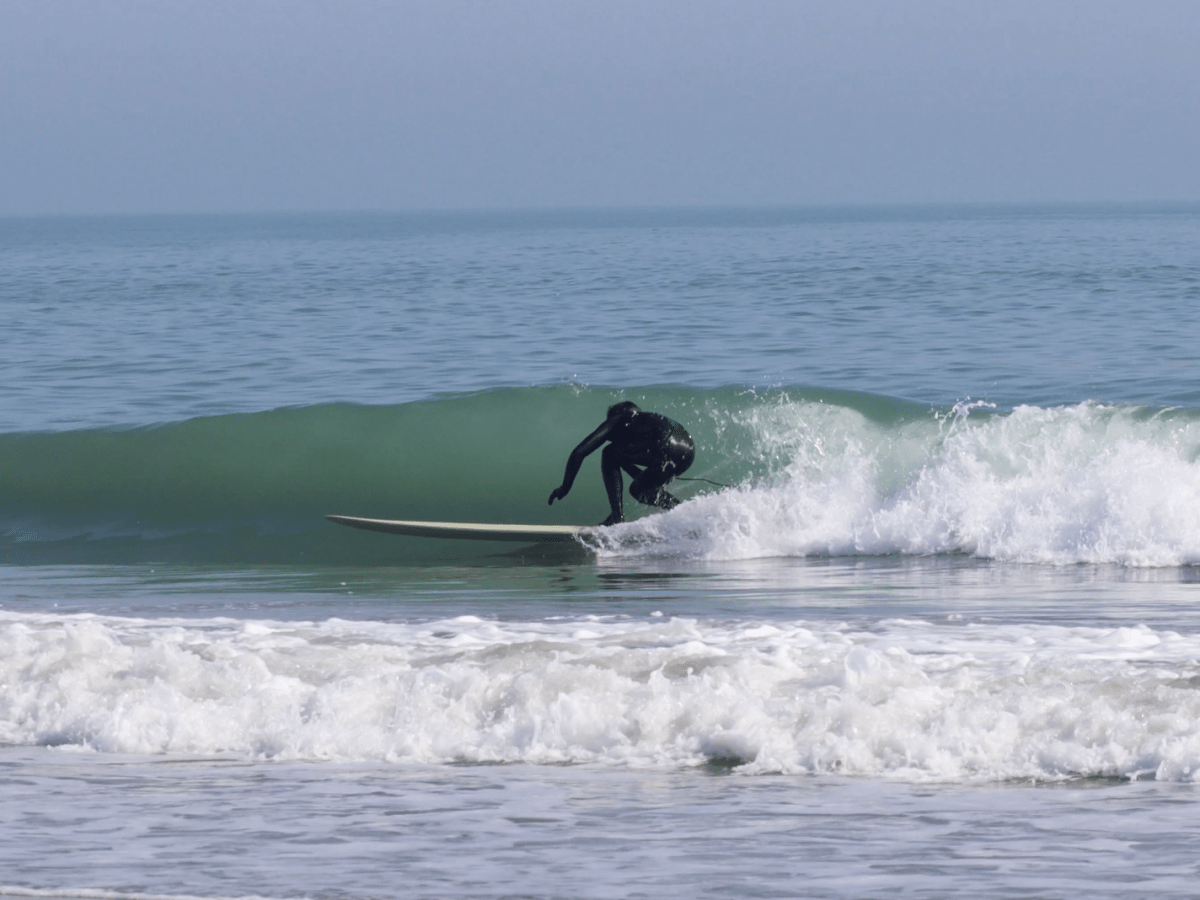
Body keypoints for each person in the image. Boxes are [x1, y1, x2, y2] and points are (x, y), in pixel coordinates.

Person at [548, 401, 695, 526]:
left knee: (609, 453)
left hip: (664, 443)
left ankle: (616, 516)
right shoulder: (647, 422)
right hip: (687, 451)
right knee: (639, 490)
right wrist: (626, 465)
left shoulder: (618, 419)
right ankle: (682, 511)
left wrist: (565, 487)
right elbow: (640, 477)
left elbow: (579, 452)